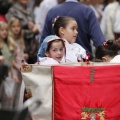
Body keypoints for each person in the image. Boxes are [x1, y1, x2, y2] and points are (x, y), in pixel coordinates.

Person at [39, 0, 105, 60]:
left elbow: (43, 44)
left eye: (76, 29)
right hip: (83, 65)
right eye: (73, 29)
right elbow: (99, 41)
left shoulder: (52, 11)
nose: (76, 32)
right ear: (61, 30)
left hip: (55, 67)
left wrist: (41, 61)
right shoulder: (87, 11)